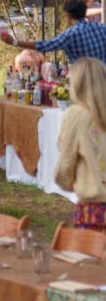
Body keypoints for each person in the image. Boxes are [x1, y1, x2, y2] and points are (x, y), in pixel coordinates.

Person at [54, 57, 106, 231]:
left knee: (88, 257)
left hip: (94, 210)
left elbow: (66, 161)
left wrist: (68, 182)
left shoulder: (77, 115)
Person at [1, 0, 106, 64]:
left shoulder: (69, 35)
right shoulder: (101, 28)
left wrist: (14, 42)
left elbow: (45, 45)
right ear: (84, 12)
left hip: (85, 82)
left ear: (69, 15)